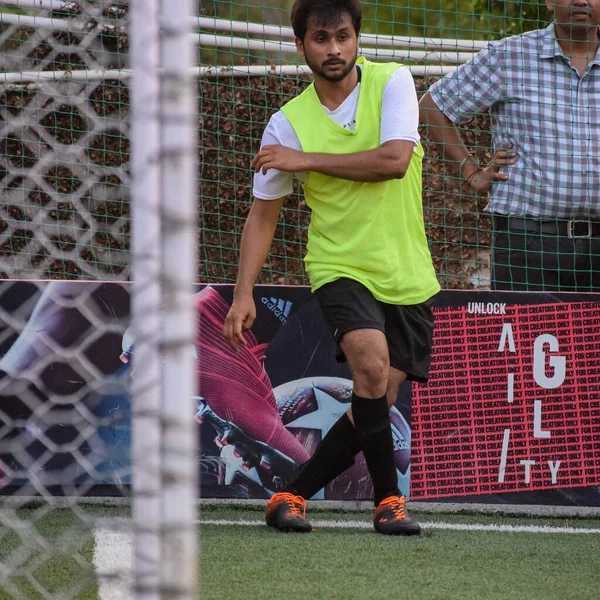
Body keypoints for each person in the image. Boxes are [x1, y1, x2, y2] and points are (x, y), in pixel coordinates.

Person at [223, 0, 440, 535]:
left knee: (375, 400)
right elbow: (263, 215)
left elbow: (393, 162)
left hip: (407, 268)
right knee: (369, 366)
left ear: (357, 38)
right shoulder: (286, 123)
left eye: (343, 36)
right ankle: (390, 502)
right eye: (321, 38)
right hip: (338, 263)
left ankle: (290, 494)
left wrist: (305, 161)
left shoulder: (394, 82)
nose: (334, 48)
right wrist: (242, 293)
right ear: (301, 46)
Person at [419, 0, 600, 291]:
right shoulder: (510, 56)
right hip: (528, 244)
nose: (581, 1)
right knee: (527, 336)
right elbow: (433, 105)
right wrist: (471, 172)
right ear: (550, 2)